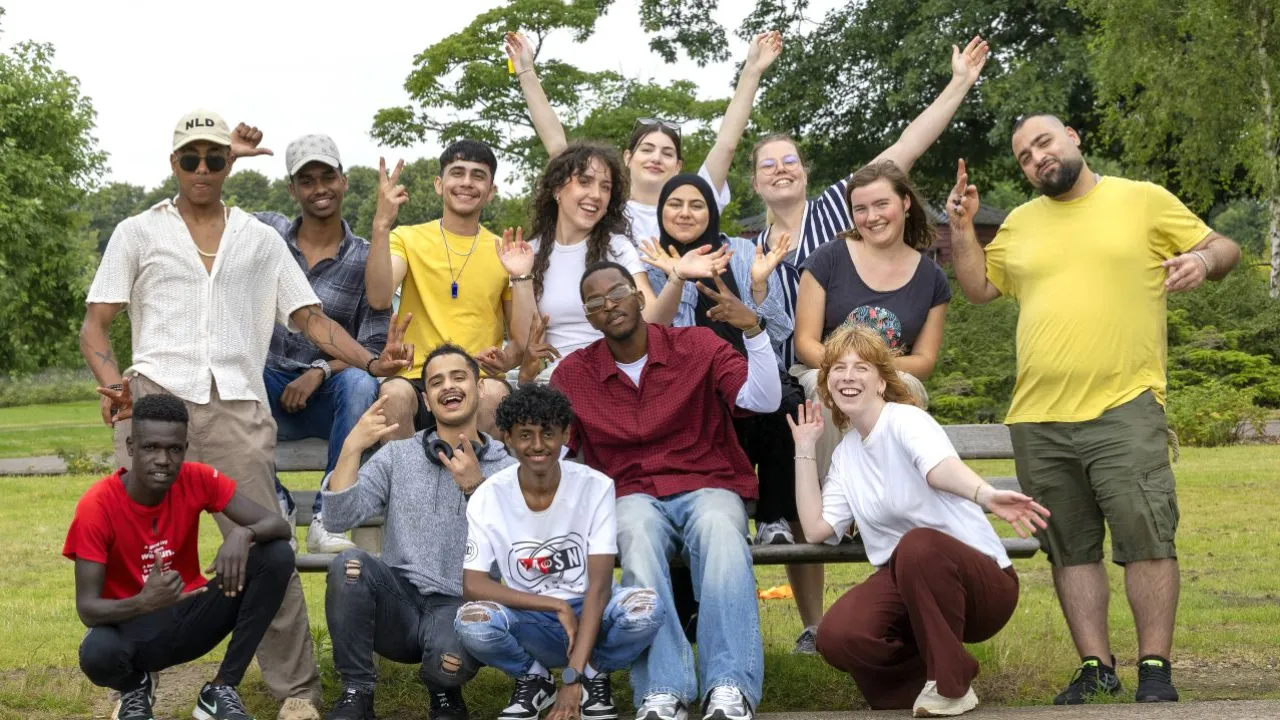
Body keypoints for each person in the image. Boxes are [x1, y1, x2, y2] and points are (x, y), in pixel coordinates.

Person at [80, 110, 414, 720]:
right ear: (174, 164)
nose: (202, 169)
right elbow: (96, 324)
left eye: (214, 158)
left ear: (228, 164)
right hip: (155, 401)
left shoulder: (260, 240)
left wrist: (371, 361)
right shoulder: (136, 231)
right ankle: (133, 682)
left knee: (269, 546)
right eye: (191, 159)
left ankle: (296, 693)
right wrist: (112, 385)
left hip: (236, 401)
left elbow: (310, 319)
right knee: (141, 551)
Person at [947, 113, 1242, 704]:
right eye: (1025, 157)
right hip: (1038, 416)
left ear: (1073, 138)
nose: (1037, 158)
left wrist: (1202, 263)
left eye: (1044, 143)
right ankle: (1095, 666)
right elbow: (979, 288)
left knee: (1147, 536)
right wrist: (960, 226)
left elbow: (1223, 245)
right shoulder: (1022, 222)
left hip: (1125, 403)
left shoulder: (1141, 200)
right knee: (1070, 547)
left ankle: (1154, 666)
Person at [549, 262, 782, 720]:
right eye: (595, 302)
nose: (609, 305)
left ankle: (729, 685)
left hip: (706, 483)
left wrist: (753, 330)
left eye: (617, 292)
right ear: (589, 318)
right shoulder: (573, 375)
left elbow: (763, 400)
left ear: (639, 297)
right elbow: (553, 453)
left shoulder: (696, 345)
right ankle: (663, 688)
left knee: (720, 528)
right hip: (630, 493)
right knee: (634, 533)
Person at [788, 325, 1049, 717]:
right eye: (838, 368)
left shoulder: (906, 420)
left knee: (917, 545)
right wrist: (805, 450)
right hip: (910, 589)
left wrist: (986, 495)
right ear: (827, 384)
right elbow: (816, 529)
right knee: (837, 635)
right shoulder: (846, 454)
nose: (848, 376)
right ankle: (920, 689)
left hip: (981, 586)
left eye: (861, 367)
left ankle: (950, 685)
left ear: (881, 381)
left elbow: (939, 470)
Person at [639, 173, 823, 652]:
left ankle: (774, 519)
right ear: (660, 212)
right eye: (674, 204)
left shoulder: (742, 253)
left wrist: (757, 292)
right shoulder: (650, 261)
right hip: (683, 398)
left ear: (712, 211)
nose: (684, 213)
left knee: (784, 402)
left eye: (696, 204)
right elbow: (651, 338)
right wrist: (678, 276)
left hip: (747, 381)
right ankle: (691, 613)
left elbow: (778, 331)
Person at [749, 36, 989, 368]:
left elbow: (908, 145)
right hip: (774, 385)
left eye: (789, 161)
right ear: (755, 184)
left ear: (804, 172)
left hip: (842, 381)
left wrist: (959, 84)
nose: (780, 170)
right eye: (767, 165)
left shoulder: (840, 205)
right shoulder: (751, 251)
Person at [66, 393, 297, 720]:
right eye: (151, 448)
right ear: (131, 447)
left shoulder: (197, 478)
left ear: (185, 450)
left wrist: (243, 534)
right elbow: (88, 609)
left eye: (174, 449)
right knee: (97, 653)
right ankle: (135, 689)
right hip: (132, 630)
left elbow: (277, 526)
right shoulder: (96, 506)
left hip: (192, 614)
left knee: (275, 555)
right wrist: (144, 602)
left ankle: (221, 688)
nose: (163, 459)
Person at [320, 344, 517, 720]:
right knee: (349, 565)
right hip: (400, 601)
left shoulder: (506, 467)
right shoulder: (399, 455)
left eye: (459, 377)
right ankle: (356, 692)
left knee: (450, 665)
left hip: (461, 604)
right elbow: (338, 519)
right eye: (436, 382)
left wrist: (476, 489)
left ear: (477, 387)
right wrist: (351, 447)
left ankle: (443, 693)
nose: (448, 387)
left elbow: (516, 549)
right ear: (426, 398)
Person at [455, 384, 664, 720]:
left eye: (548, 433)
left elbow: (600, 587)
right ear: (507, 438)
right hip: (529, 616)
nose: (537, 445)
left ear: (566, 434)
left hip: (590, 610)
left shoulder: (595, 487)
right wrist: (554, 605)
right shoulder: (488, 495)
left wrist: (572, 677)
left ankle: (592, 674)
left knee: (647, 610)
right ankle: (534, 678)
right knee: (471, 622)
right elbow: (473, 585)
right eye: (525, 434)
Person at [506, 29, 783, 243]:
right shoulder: (604, 208)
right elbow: (558, 148)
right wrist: (526, 72)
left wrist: (752, 70)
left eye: (667, 153)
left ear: (678, 166)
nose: (656, 158)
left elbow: (727, 143)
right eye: (647, 149)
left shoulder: (694, 203)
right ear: (628, 157)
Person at [256, 133, 391, 554]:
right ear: (293, 189)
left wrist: (318, 371)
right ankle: (274, 500)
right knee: (224, 374)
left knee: (362, 384)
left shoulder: (365, 257)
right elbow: (204, 208)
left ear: (344, 181)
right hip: (264, 390)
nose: (319, 189)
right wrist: (231, 155)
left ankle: (325, 516)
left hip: (330, 398)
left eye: (327, 176)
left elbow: (371, 345)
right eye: (307, 180)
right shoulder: (267, 233)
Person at [500, 144, 730, 382]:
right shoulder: (531, 252)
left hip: (613, 376)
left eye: (605, 187)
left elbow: (653, 319)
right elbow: (526, 343)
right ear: (557, 188)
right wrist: (521, 276)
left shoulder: (617, 247)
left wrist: (677, 277)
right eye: (585, 182)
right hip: (556, 379)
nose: (596, 195)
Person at [368, 140, 516, 441]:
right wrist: (381, 225)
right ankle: (406, 488)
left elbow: (520, 342)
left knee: (496, 394)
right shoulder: (407, 238)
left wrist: (509, 360)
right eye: (457, 172)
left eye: (478, 175)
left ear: (491, 192)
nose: (466, 183)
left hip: (478, 379)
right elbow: (380, 297)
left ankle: (478, 486)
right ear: (439, 184)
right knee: (392, 394)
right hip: (416, 376)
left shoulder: (504, 251)